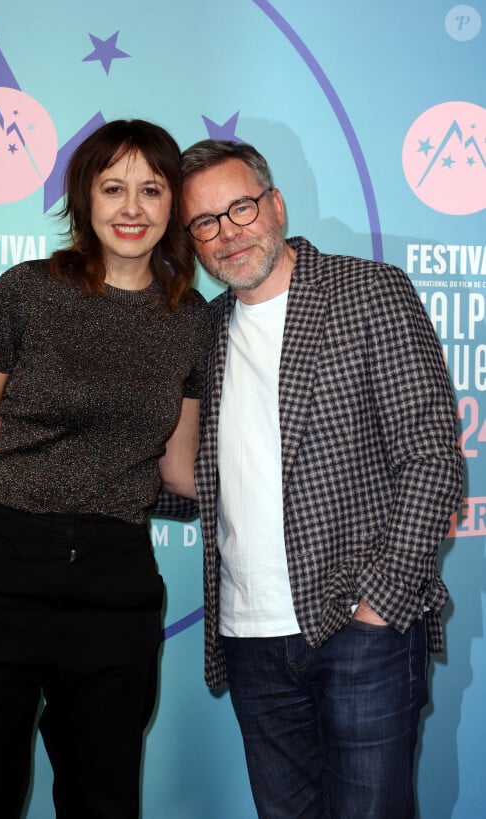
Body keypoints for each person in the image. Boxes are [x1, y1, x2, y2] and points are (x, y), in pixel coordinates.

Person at [157, 139, 463, 818]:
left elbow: (433, 454)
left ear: (276, 204)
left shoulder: (367, 291)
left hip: (361, 628)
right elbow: (198, 477)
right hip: (249, 639)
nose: (227, 234)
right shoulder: (201, 332)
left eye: (239, 208)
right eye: (204, 222)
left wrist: (381, 603)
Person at [0, 119, 210, 819]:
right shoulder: (28, 290)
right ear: (84, 199)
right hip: (1, 562)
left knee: (102, 799)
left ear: (174, 202)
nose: (132, 208)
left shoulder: (192, 318)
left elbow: (181, 470)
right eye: (113, 188)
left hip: (115, 580)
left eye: (151, 188)